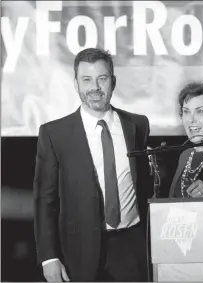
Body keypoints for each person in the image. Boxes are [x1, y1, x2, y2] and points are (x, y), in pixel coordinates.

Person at [33, 48, 152, 282]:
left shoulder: (137, 125)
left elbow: (146, 183)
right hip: (78, 252)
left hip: (132, 246)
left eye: (102, 78)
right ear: (76, 84)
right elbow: (45, 200)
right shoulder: (54, 134)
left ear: (113, 82)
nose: (95, 87)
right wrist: (49, 257)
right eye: (86, 79)